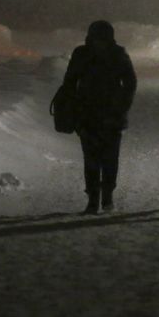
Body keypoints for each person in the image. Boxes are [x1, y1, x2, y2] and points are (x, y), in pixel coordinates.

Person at [63, 20, 137, 214]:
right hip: (87, 115)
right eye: (98, 38)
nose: (100, 42)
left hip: (112, 115)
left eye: (103, 38)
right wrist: (75, 110)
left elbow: (130, 83)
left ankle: (107, 196)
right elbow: (70, 83)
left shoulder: (118, 54)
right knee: (92, 159)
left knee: (110, 159)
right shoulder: (82, 54)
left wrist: (121, 107)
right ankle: (93, 199)